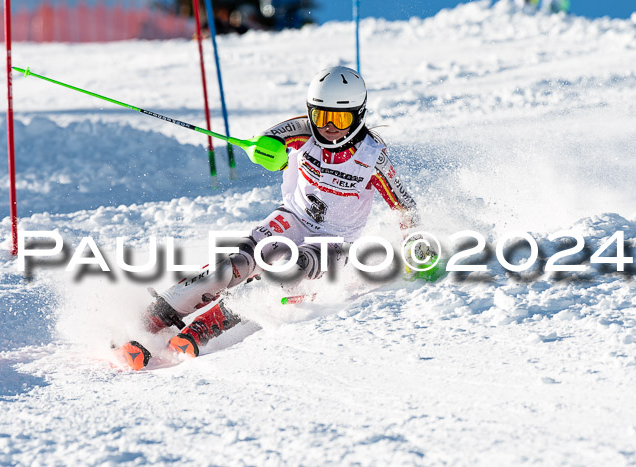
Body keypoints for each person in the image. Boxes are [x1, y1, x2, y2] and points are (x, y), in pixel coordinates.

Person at [121, 66, 437, 370]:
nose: (328, 127)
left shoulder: (370, 158)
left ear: (358, 116)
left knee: (286, 272)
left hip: (335, 242)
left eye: (339, 118)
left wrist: (415, 245)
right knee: (233, 265)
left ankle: (202, 331)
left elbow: (404, 205)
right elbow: (273, 138)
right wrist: (266, 150)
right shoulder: (303, 131)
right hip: (293, 219)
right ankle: (151, 318)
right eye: (321, 115)